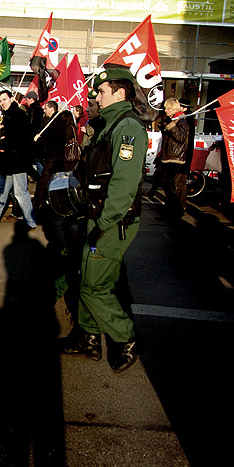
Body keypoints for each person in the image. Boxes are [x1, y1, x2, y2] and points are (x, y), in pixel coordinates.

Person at [58, 68, 147, 373]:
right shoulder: (109, 126)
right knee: (92, 279)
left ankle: (125, 338)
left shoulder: (128, 128)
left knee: (92, 287)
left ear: (120, 94)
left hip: (111, 221)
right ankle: (88, 338)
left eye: (102, 92)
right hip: (98, 215)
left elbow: (124, 185)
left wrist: (104, 223)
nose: (96, 97)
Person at [0, 89, 36, 231]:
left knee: (20, 193)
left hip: (18, 161)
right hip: (8, 161)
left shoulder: (19, 115)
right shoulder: (8, 115)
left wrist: (3, 136)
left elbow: (21, 139)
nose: (2, 103)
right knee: (2, 191)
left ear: (11, 99)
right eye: (0, 101)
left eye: (4, 99)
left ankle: (31, 221)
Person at [32, 100, 75, 210]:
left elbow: (53, 139)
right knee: (54, 181)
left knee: (43, 182)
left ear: (52, 109)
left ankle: (37, 204)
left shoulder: (55, 122)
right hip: (53, 157)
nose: (44, 110)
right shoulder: (53, 120)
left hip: (54, 157)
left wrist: (40, 139)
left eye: (46, 108)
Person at [157, 97, 191, 219]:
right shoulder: (174, 119)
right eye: (166, 108)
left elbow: (181, 137)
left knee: (170, 185)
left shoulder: (181, 120)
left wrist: (170, 125)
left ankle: (175, 210)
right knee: (171, 185)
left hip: (175, 158)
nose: (166, 110)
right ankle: (174, 210)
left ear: (175, 109)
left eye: (169, 108)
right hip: (171, 157)